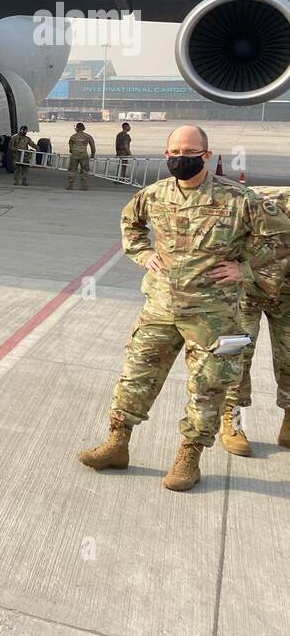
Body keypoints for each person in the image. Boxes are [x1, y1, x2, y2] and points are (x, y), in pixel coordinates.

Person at [78, 125, 290, 491]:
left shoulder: (239, 199)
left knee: (207, 388)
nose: (180, 157)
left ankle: (188, 459)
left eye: (189, 151)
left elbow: (279, 239)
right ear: (166, 154)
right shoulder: (154, 195)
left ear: (206, 155)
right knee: (135, 376)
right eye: (174, 151)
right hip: (161, 306)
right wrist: (144, 254)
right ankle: (117, 443)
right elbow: (131, 225)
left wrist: (247, 269)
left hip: (213, 314)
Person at [227, 186, 290, 454]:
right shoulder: (258, 199)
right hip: (246, 291)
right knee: (234, 354)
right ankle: (230, 416)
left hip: (287, 294)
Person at [67, 122, 95, 190]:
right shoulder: (88, 136)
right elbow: (93, 147)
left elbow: (70, 149)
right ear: (83, 128)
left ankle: (70, 185)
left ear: (77, 128)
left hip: (74, 155)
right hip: (84, 155)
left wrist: (73, 151)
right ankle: (84, 186)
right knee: (85, 170)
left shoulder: (73, 136)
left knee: (72, 170)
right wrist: (92, 155)